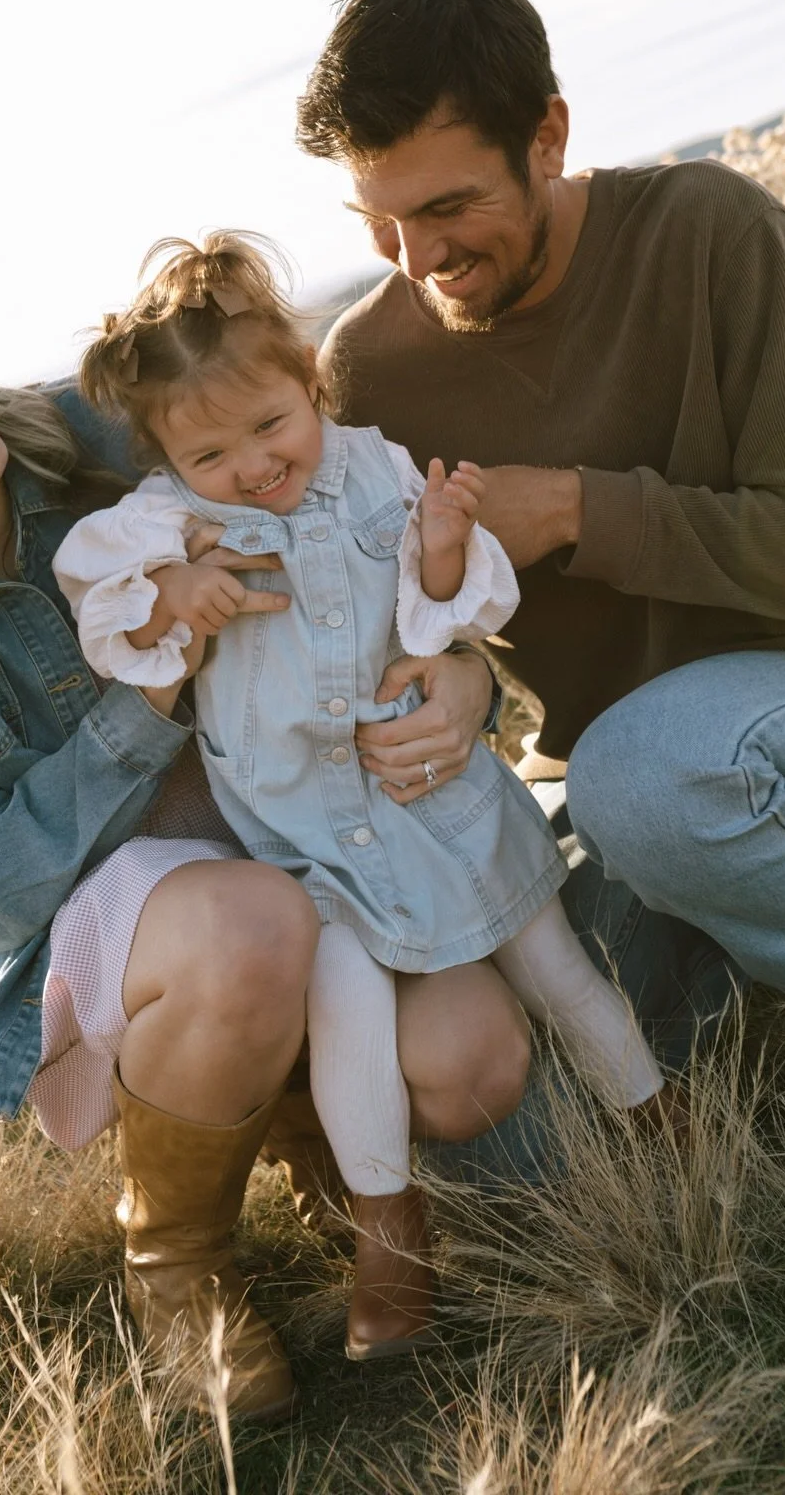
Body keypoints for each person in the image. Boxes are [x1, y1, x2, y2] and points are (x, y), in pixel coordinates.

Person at [0, 272, 524, 1423]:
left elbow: (363, 521)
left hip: (326, 852)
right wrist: (146, 695)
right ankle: (178, 1264)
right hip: (144, 948)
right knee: (248, 923)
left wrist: (470, 675)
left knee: (475, 1063)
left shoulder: (101, 434)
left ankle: (304, 1124)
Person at [300, 0, 785, 1100]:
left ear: (548, 136)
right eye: (382, 225)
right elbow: (413, 617)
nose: (422, 261)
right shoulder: (364, 368)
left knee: (653, 781)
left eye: (449, 207)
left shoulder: (713, 231)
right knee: (509, 1131)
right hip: (586, 779)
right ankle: (728, 935)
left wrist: (574, 508)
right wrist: (458, 675)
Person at [50, 233, 681, 1362]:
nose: (250, 466)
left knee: (558, 969)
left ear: (309, 381)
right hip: (301, 841)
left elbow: (441, 618)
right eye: (208, 452)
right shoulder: (158, 523)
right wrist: (172, 591)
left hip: (430, 797)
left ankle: (653, 1111)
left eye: (270, 426)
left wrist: (440, 549)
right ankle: (393, 1231)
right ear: (161, 457)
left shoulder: (379, 469)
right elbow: (109, 619)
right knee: (345, 1006)